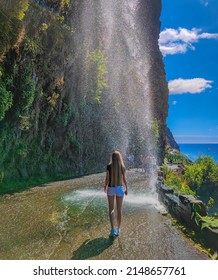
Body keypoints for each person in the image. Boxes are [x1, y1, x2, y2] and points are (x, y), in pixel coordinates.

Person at [104, 150, 128, 236]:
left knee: (111, 209)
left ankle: (112, 229)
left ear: (112, 158)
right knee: (119, 210)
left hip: (111, 188)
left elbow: (107, 178)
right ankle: (118, 229)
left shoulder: (109, 167)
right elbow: (124, 179)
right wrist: (126, 188)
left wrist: (105, 186)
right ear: (119, 158)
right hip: (120, 189)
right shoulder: (122, 167)